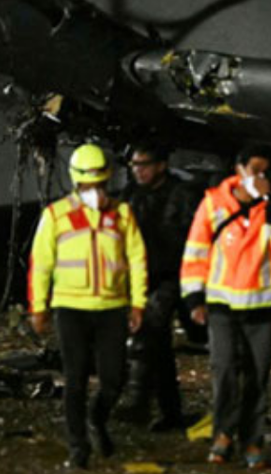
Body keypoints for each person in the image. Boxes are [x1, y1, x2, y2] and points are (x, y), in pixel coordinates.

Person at [180, 144, 271, 469]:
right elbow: (195, 252)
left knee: (256, 378)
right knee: (224, 372)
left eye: (265, 171)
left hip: (262, 306)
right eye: (255, 170)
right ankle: (223, 434)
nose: (260, 176)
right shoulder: (213, 204)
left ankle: (252, 442)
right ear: (239, 169)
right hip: (221, 304)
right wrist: (194, 299)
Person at [29, 143, 147, 469]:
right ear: (76, 182)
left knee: (113, 379)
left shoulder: (122, 215)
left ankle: (97, 418)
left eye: (99, 184)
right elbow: (41, 263)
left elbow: (137, 260)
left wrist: (137, 303)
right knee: (75, 379)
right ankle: (77, 447)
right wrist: (39, 307)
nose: (94, 191)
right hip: (70, 308)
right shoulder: (55, 216)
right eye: (87, 185)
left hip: (112, 307)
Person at [118, 140, 199, 431]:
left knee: (147, 332)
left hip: (174, 276)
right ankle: (170, 412)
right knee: (159, 347)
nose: (138, 171)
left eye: (144, 165)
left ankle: (139, 402)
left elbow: (195, 239)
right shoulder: (132, 196)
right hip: (145, 277)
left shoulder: (182, 195)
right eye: (135, 166)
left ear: (160, 166)